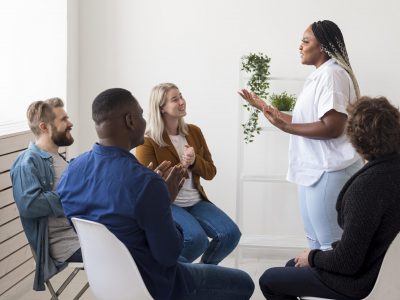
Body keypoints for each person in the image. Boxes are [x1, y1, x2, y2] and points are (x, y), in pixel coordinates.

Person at [57, 88, 254, 300]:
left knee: (197, 254)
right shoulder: (146, 182)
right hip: (157, 285)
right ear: (130, 120)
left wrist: (156, 195)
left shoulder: (71, 171)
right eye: (141, 115)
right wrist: (164, 200)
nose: (145, 121)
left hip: (105, 282)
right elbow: (169, 255)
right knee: (244, 282)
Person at [258, 96, 400, 299]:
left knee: (270, 280)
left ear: (354, 138)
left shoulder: (367, 188)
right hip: (389, 274)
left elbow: (348, 261)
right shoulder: (392, 171)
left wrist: (313, 257)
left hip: (362, 282)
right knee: (292, 266)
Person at [239, 20, 363, 250]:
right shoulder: (319, 76)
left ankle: (331, 286)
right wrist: (263, 107)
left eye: (306, 41)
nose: (300, 46)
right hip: (314, 172)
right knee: (314, 242)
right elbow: (303, 123)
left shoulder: (333, 75)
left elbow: (333, 127)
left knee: (330, 247)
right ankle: (312, 285)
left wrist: (286, 128)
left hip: (330, 171)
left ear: (323, 47)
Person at [136, 82, 241, 264]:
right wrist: (183, 165)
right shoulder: (147, 141)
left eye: (181, 97)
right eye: (175, 99)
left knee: (230, 234)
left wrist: (194, 161)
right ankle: (170, 276)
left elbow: (210, 172)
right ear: (161, 107)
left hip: (196, 201)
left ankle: (202, 275)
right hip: (168, 204)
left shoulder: (194, 132)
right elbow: (149, 186)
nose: (182, 102)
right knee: (196, 240)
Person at [10, 98, 82, 291]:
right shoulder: (27, 162)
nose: (70, 123)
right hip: (66, 246)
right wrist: (73, 196)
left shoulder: (59, 159)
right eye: (63, 119)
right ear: (44, 126)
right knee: (131, 253)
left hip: (83, 236)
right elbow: (29, 204)